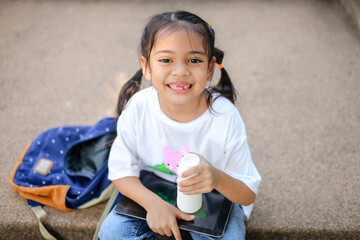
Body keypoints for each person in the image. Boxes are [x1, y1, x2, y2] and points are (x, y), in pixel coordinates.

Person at [99, 10, 261, 240]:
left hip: (214, 195)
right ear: (146, 67)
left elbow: (247, 195)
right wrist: (154, 205)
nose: (180, 71)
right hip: (153, 188)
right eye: (166, 60)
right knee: (112, 233)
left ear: (209, 68)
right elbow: (121, 171)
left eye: (194, 60)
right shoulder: (139, 107)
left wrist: (215, 177)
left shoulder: (225, 117)